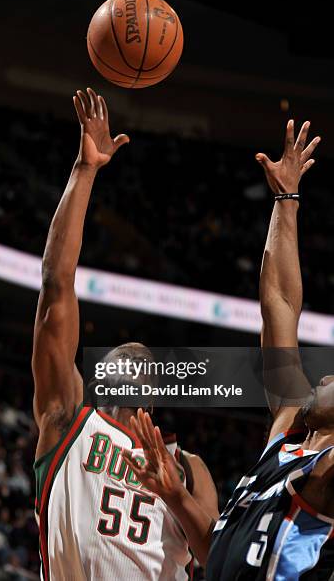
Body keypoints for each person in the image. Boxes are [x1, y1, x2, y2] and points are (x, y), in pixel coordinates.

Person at [123, 120, 334, 579]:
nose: (323, 378)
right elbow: (278, 302)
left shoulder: (327, 473)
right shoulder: (287, 433)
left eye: (333, 380)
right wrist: (286, 201)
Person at [31, 87, 218, 580]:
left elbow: (222, 560)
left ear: (155, 397)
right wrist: (85, 170)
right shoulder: (67, 418)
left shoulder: (189, 467)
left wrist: (175, 494)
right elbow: (56, 287)